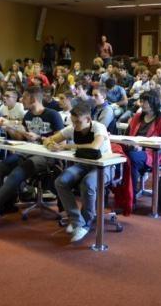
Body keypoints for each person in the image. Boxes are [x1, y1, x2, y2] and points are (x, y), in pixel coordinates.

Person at [0, 86, 63, 234]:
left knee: (15, 175)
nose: (22, 100)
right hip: (27, 152)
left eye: (25, 97)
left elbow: (61, 144)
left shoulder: (53, 115)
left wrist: (40, 138)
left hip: (46, 157)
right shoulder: (27, 116)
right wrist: (9, 128)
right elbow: (22, 138)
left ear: (33, 99)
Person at [44, 103, 112, 242]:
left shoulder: (99, 127)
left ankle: (85, 223)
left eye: (78, 122)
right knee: (60, 181)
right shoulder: (72, 128)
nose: (75, 125)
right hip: (83, 165)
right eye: (73, 122)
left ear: (88, 119)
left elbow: (94, 147)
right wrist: (51, 144)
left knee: (87, 183)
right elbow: (48, 139)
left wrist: (67, 146)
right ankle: (77, 221)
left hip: (104, 167)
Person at [125, 90, 161, 201]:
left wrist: (143, 147)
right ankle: (126, 196)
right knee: (123, 157)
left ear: (153, 102)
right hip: (133, 150)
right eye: (141, 101)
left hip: (153, 154)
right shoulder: (137, 117)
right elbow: (127, 135)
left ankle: (130, 197)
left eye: (144, 102)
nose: (141, 104)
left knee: (131, 158)